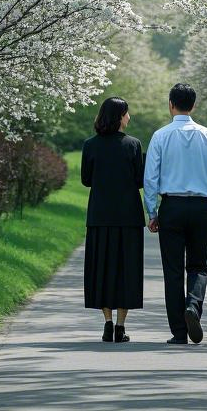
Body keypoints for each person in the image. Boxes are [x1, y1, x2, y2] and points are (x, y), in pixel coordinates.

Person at [144, 83, 207, 345]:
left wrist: (152, 211)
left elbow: (151, 178)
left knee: (172, 270)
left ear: (171, 104)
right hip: (202, 207)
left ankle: (179, 332)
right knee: (198, 266)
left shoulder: (160, 136)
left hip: (172, 206)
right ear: (194, 105)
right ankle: (193, 305)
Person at [81, 97, 146, 343]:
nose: (129, 117)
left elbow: (86, 180)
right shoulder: (133, 145)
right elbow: (140, 180)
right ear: (120, 116)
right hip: (128, 217)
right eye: (127, 113)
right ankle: (121, 326)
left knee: (102, 270)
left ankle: (107, 323)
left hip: (99, 216)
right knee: (126, 270)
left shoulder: (90, 145)